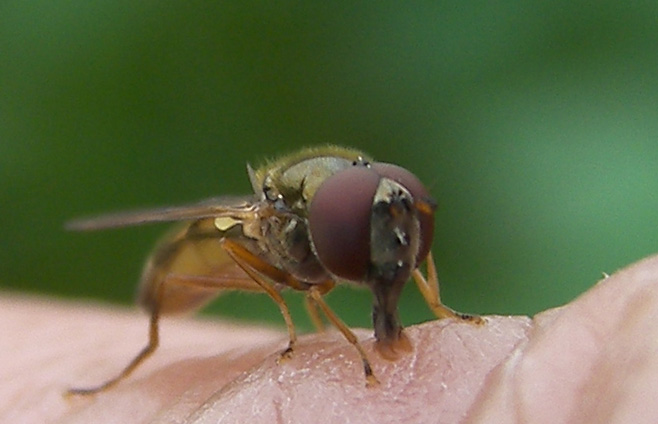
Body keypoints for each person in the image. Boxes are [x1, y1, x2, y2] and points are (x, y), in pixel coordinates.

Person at [3, 253, 658, 423]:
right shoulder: (289, 235)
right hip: (199, 263)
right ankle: (135, 361)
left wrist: (439, 308)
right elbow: (291, 278)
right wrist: (296, 327)